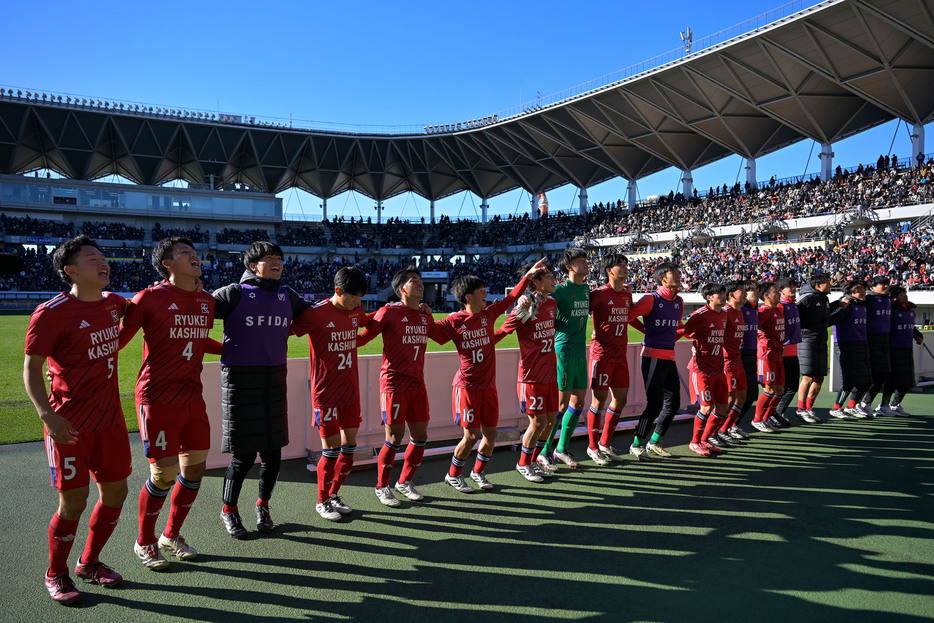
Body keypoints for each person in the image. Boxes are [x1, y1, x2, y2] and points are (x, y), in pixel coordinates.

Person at [24, 236, 131, 604]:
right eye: (92, 259)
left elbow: (143, 308)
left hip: (111, 421)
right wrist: (47, 414)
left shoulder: (115, 304)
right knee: (74, 502)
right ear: (71, 270)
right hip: (69, 425)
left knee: (117, 491)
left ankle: (90, 562)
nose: (103, 263)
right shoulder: (50, 312)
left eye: (103, 257)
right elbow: (32, 368)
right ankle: (56, 572)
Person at [119, 237, 215, 569]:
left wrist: (241, 348)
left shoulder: (206, 300)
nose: (195, 256)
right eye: (185, 253)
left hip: (193, 397)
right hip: (157, 398)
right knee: (163, 474)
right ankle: (144, 541)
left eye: (195, 252)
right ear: (167, 264)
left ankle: (171, 535)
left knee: (196, 468)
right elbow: (115, 341)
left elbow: (199, 341)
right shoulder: (148, 298)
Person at [213, 241, 310, 537]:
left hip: (274, 378)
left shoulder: (287, 295)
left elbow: (314, 318)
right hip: (240, 381)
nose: (278, 262)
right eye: (270, 258)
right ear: (253, 265)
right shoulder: (233, 293)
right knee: (243, 456)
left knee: (272, 453)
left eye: (280, 258)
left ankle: (263, 505)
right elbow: (197, 311)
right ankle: (228, 510)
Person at [430, 258, 548, 492]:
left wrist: (527, 277)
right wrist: (422, 314)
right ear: (467, 297)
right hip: (466, 387)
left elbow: (511, 298)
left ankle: (478, 473)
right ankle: (453, 475)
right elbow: (434, 334)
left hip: (488, 387)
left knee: (491, 434)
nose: (485, 293)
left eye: (485, 289)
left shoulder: (489, 314)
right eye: (480, 290)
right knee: (471, 436)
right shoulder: (454, 320)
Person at [291, 267, 368, 520]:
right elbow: (285, 331)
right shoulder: (316, 313)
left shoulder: (356, 310)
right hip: (326, 394)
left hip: (351, 392)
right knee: (331, 451)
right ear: (338, 291)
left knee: (350, 448)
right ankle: (322, 501)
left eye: (360, 298)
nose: (358, 303)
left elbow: (369, 323)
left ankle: (335, 494)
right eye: (354, 296)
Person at [356, 267, 435, 505]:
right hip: (393, 384)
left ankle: (405, 482)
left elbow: (441, 337)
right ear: (402, 288)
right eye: (414, 281)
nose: (420, 284)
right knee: (394, 437)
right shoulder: (389, 311)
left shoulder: (423, 315)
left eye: (421, 281)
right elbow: (362, 338)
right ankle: (382, 486)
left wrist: (430, 315)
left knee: (420, 436)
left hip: (417, 384)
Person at [495, 261, 559, 482]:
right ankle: (523, 464)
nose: (553, 279)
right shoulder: (525, 306)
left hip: (550, 373)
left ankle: (533, 460)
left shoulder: (551, 303)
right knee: (537, 423)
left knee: (551, 421)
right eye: (549, 276)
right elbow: (504, 329)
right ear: (537, 282)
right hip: (531, 376)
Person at [627, 262, 685, 459]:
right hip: (652, 357)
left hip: (670, 357)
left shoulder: (679, 301)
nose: (678, 276)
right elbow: (628, 316)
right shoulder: (651, 299)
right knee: (654, 404)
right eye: (673, 273)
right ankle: (636, 444)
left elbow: (677, 327)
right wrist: (645, 331)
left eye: (678, 272)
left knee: (674, 402)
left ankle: (655, 442)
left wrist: (689, 330)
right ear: (662, 279)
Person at [582, 253, 633, 465]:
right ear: (609, 270)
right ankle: (592, 446)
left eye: (625, 264)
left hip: (620, 355)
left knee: (621, 399)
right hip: (601, 355)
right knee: (598, 401)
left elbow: (630, 318)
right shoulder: (599, 294)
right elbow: (581, 315)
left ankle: (604, 443)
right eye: (620, 265)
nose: (624, 267)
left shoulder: (627, 295)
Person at [547, 248, 592, 470]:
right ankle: (543, 451)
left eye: (585, 259)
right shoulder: (560, 291)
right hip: (563, 351)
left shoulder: (586, 290)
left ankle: (561, 449)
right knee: (560, 404)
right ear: (568, 267)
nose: (585, 263)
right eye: (580, 261)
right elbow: (541, 304)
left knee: (579, 402)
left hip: (580, 352)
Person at [678, 283, 729, 456]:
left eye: (724, 293)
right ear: (709, 297)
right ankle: (694, 442)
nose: (723, 296)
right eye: (719, 294)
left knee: (722, 407)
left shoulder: (724, 314)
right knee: (706, 407)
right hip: (702, 369)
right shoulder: (700, 315)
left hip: (718, 368)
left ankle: (705, 439)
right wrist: (696, 346)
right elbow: (685, 331)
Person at [828, 281, 872, 419]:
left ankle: (851, 407)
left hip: (862, 344)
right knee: (848, 381)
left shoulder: (863, 307)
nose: (863, 293)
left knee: (866, 380)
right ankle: (836, 408)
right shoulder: (846, 307)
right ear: (850, 294)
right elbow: (829, 320)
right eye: (859, 291)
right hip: (846, 345)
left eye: (864, 290)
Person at [879, 286, 924, 415]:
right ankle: (883, 405)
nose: (905, 296)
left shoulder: (911, 310)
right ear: (894, 298)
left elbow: (911, 327)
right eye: (901, 294)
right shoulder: (891, 310)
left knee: (908, 380)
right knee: (892, 379)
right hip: (893, 349)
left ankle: (895, 404)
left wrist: (918, 335)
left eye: (905, 293)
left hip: (907, 349)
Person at [795, 274, 832, 422]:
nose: (830, 285)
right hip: (807, 341)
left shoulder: (825, 299)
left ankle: (809, 408)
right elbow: (795, 315)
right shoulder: (807, 298)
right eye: (827, 283)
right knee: (808, 376)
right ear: (818, 285)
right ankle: (800, 408)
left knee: (820, 377)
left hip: (821, 341)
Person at [718, 280, 751, 440]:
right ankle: (717, 430)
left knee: (743, 395)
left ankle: (727, 427)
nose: (745, 293)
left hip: (738, 359)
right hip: (726, 361)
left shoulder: (740, 311)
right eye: (741, 291)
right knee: (729, 398)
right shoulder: (725, 312)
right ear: (731, 295)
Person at [752, 281, 785, 433]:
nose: (779, 293)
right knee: (770, 388)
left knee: (779, 389)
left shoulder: (778, 309)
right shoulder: (763, 311)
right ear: (766, 296)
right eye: (775, 291)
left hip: (778, 353)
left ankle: (766, 418)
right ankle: (757, 419)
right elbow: (753, 328)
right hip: (767, 355)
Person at [861, 276, 892, 416]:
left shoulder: (889, 299)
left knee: (882, 374)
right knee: (871, 375)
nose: (885, 287)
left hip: (885, 340)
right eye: (882, 284)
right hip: (871, 339)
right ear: (872, 287)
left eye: (887, 284)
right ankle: (857, 404)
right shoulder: (869, 299)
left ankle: (867, 403)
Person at [773, 278, 800, 426]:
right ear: (780, 291)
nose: (793, 288)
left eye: (793, 286)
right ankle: (772, 414)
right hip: (782, 353)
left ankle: (778, 412)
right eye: (789, 286)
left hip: (793, 352)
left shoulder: (793, 304)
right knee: (780, 387)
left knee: (792, 387)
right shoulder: (780, 307)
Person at [737, 281, 760, 427]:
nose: (757, 294)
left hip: (752, 353)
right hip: (739, 354)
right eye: (754, 291)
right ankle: (726, 427)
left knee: (751, 394)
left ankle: (733, 425)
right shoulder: (739, 309)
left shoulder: (756, 309)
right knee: (738, 395)